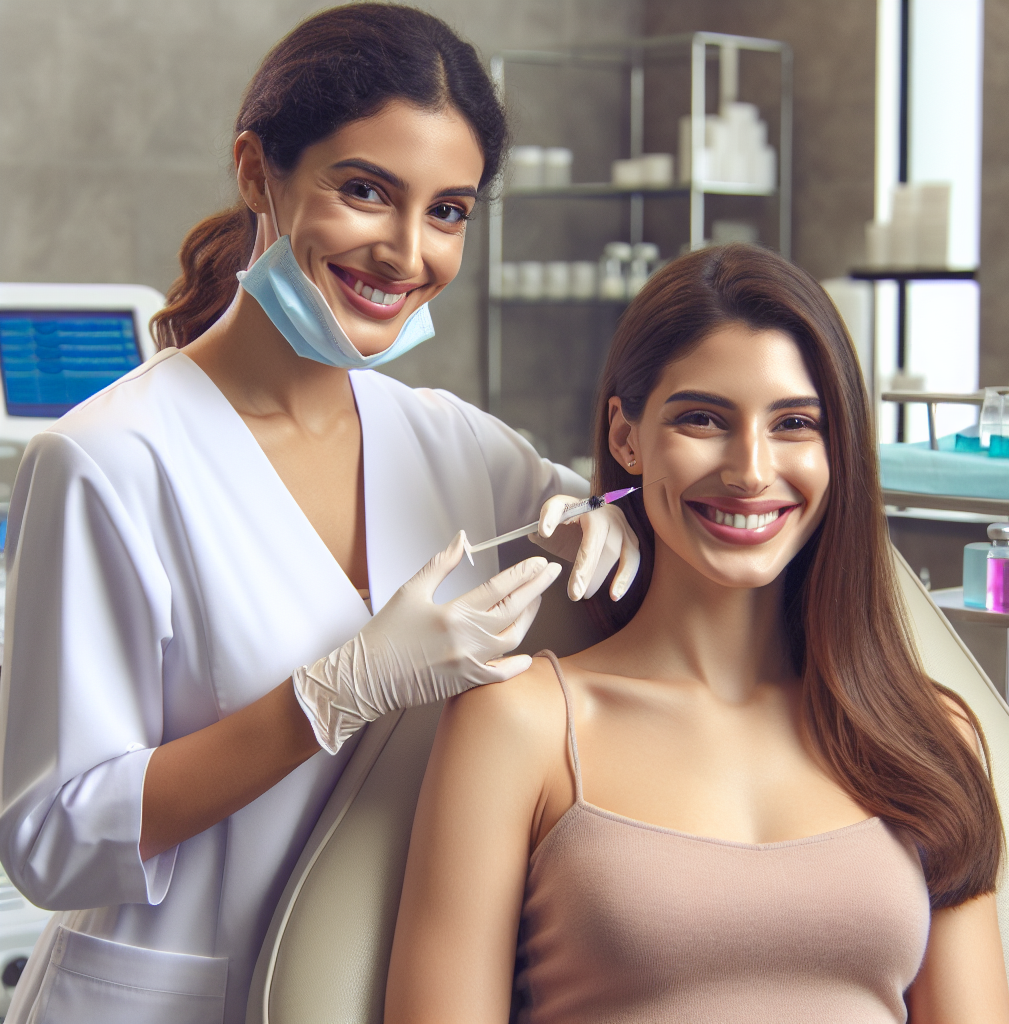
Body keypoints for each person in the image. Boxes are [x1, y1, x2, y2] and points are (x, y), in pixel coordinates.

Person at [0, 7, 640, 1022]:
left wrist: (610, 517)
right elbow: (52, 839)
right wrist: (331, 696)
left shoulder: (459, 446)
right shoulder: (108, 460)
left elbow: (612, 516)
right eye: (365, 191)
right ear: (258, 172)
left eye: (448, 212)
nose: (407, 252)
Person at [384, 244, 1009, 1024]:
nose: (751, 470)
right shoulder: (518, 725)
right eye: (703, 419)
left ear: (839, 449)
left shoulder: (928, 736)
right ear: (627, 437)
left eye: (795, 423)